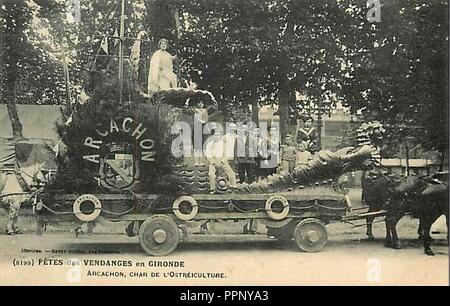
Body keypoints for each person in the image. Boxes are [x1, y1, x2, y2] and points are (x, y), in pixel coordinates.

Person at [193, 101, 208, 166]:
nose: (200, 104)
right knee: (196, 147)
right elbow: (186, 109)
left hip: (202, 129)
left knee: (201, 147)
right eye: (199, 103)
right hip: (196, 129)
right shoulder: (195, 111)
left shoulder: (205, 111)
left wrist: (202, 121)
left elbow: (206, 119)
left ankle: (201, 162)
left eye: (202, 103)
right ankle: (196, 162)